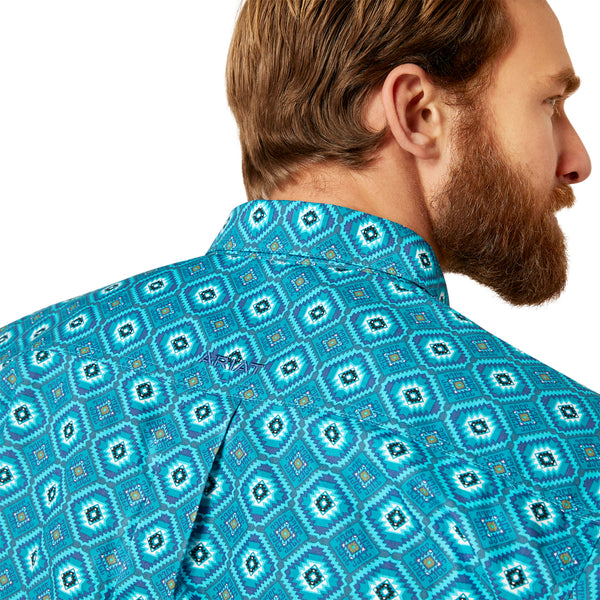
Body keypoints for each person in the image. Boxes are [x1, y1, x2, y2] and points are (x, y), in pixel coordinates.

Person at [0, 0, 597, 598]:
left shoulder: (23, 364)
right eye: (550, 103)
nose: (578, 160)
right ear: (417, 112)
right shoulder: (568, 468)